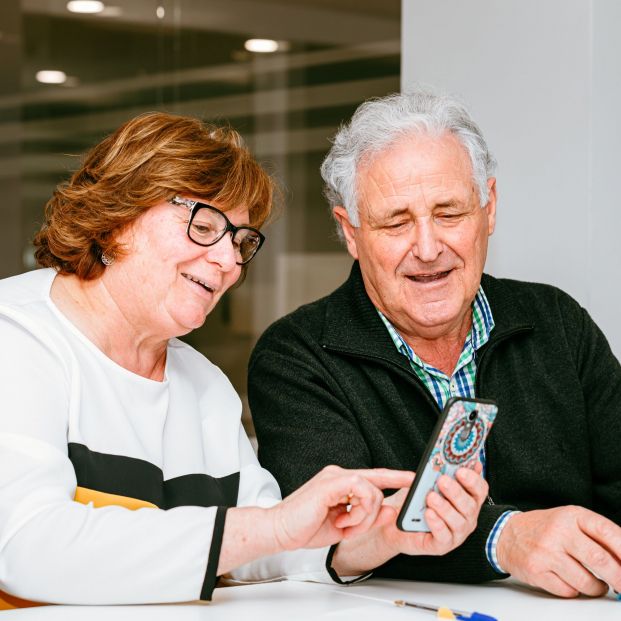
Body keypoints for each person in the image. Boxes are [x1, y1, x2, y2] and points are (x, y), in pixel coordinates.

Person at [0, 111, 488, 609]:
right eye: (204, 225)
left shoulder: (202, 383)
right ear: (117, 217)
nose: (230, 261)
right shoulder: (15, 338)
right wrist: (268, 527)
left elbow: (261, 543)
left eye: (239, 240)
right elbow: (27, 545)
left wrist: (378, 536)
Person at [248, 90, 621, 598]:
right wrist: (504, 538)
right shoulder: (297, 356)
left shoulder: (558, 322)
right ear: (351, 232)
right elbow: (345, 529)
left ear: (488, 209)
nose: (427, 248)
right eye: (396, 222)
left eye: (449, 214)